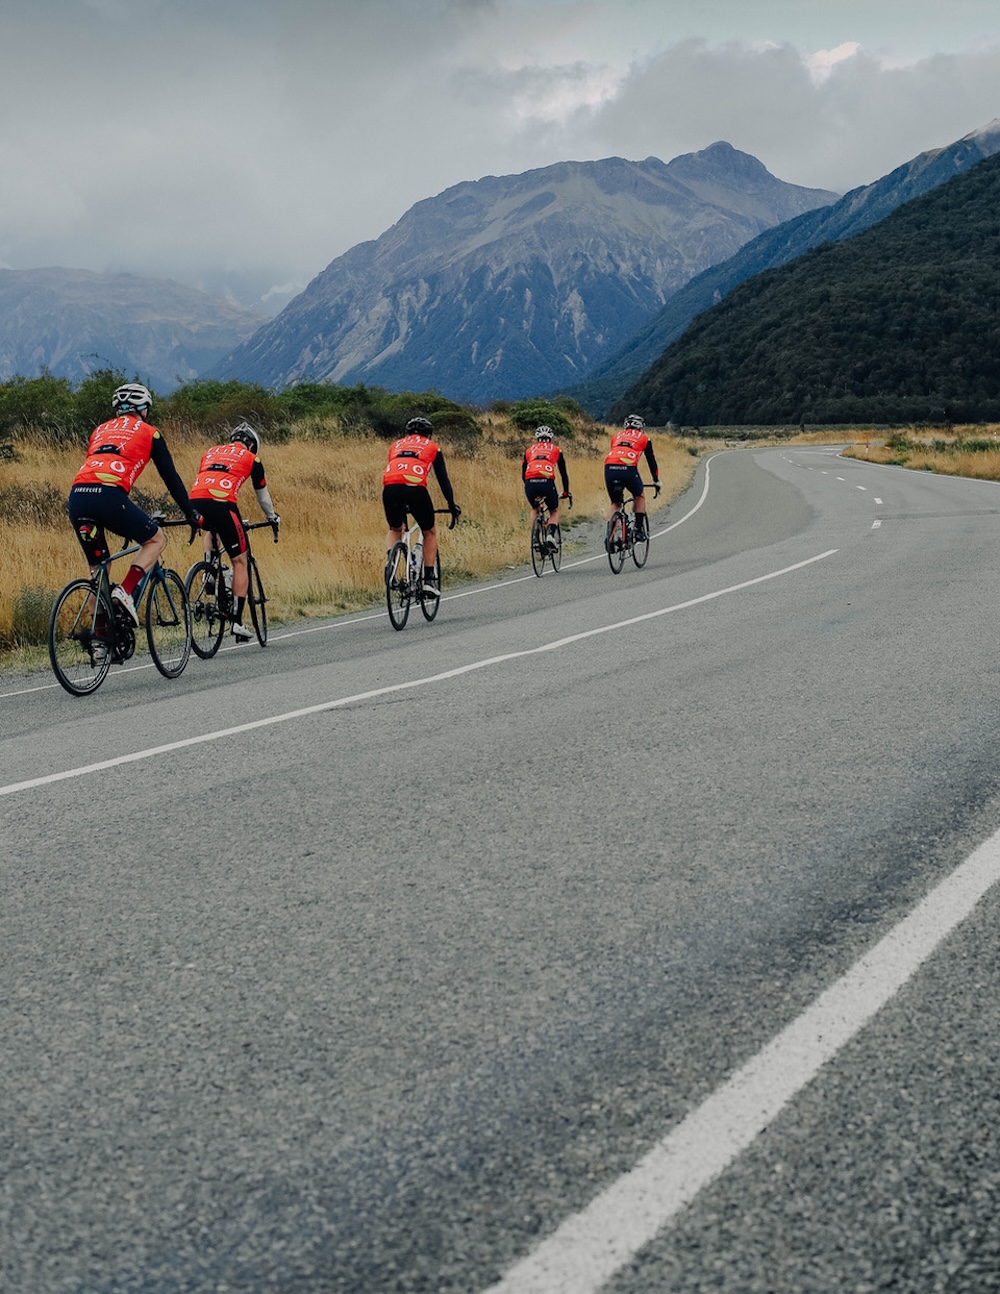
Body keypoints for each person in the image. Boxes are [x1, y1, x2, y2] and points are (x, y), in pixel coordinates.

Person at [67, 383, 202, 625]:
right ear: (143, 408)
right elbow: (171, 478)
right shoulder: (150, 432)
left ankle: (100, 641)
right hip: (108, 497)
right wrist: (190, 512)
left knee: (99, 569)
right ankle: (126, 591)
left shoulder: (99, 431)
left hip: (78, 498)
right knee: (156, 539)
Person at [188, 420, 280, 641]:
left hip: (194, 502)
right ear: (251, 445)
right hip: (223, 504)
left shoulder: (210, 452)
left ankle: (209, 570)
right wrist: (272, 518)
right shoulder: (252, 459)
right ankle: (237, 622)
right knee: (240, 561)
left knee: (212, 528)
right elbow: (263, 497)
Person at [382, 416, 460, 593]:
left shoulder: (396, 445)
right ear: (429, 435)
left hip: (390, 487)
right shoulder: (432, 447)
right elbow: (443, 479)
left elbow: (396, 469)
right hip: (415, 488)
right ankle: (429, 581)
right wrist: (451, 504)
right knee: (429, 532)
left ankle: (391, 565)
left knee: (395, 529)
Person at [604, 413, 660, 544]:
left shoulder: (616, 436)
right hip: (628, 468)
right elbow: (651, 461)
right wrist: (656, 480)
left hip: (609, 467)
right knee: (639, 496)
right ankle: (639, 530)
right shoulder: (645, 438)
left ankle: (609, 537)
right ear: (641, 427)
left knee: (616, 503)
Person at [522, 425, 571, 552]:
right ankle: (550, 535)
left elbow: (523, 474)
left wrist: (530, 487)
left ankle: (535, 538)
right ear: (551, 438)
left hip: (530, 482)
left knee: (535, 508)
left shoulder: (529, 450)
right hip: (547, 481)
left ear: (537, 438)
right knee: (554, 510)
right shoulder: (556, 450)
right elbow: (563, 474)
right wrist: (566, 491)